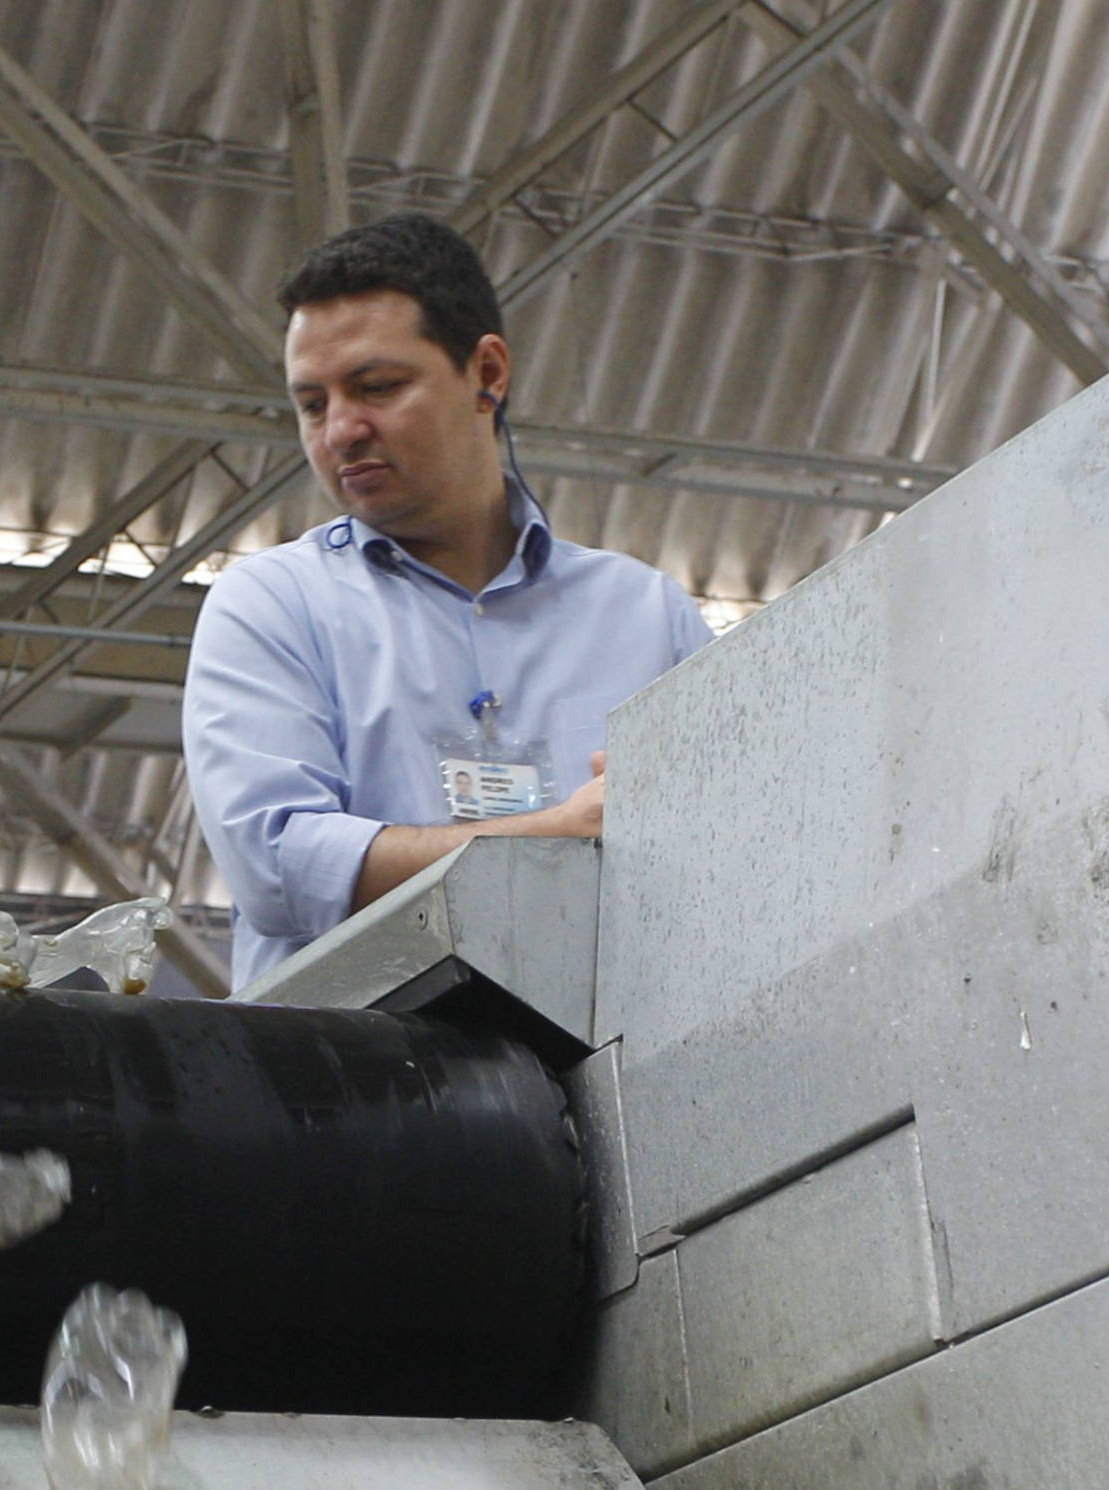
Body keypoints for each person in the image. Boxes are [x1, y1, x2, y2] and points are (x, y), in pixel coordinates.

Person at [182, 213, 713, 991]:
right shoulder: (270, 606)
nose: (341, 431)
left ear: (487, 374)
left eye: (377, 388)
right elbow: (278, 862)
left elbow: (732, 848)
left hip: (623, 1077)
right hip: (352, 1089)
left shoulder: (647, 616)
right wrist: (552, 837)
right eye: (312, 404)